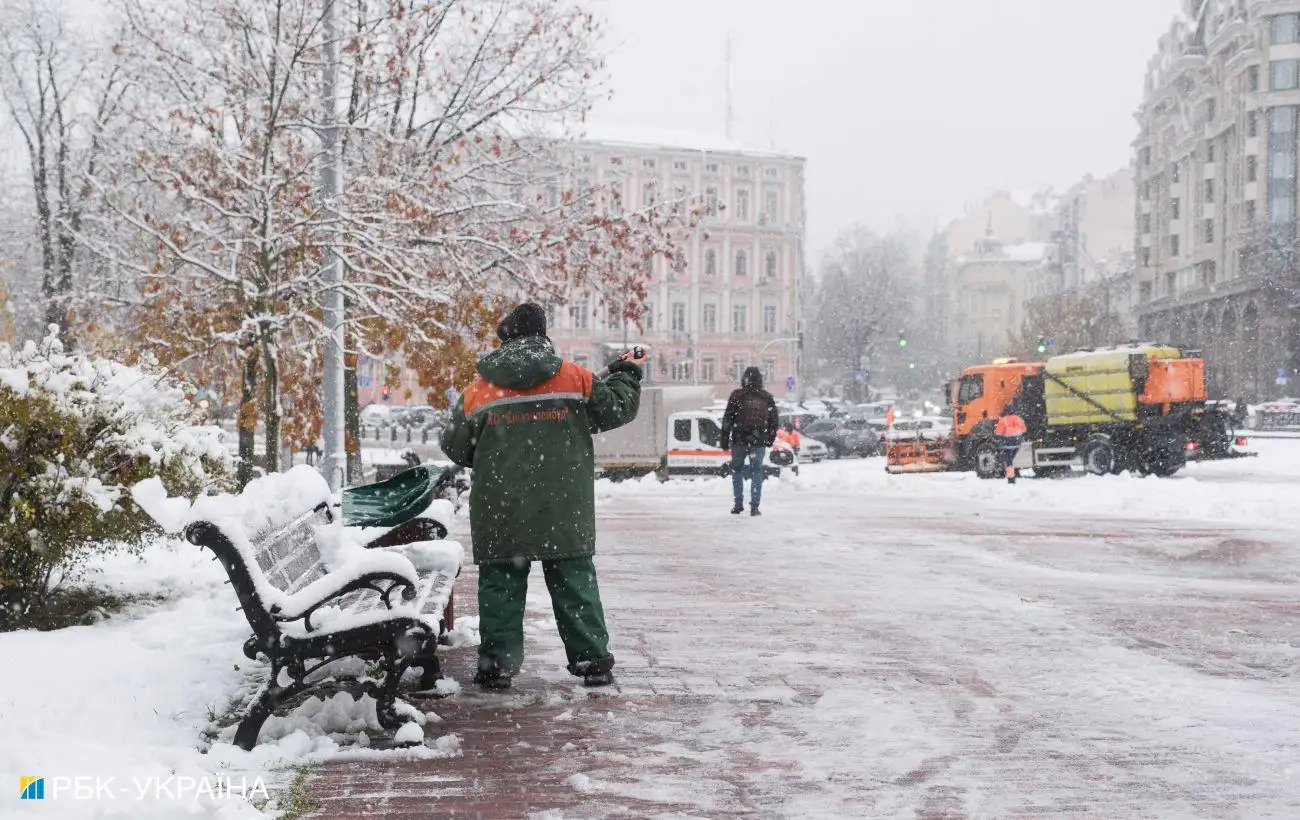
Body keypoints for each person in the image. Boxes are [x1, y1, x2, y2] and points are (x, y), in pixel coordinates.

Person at [440, 303, 644, 690]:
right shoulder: (575, 378)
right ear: (543, 335)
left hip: (501, 508)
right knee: (573, 583)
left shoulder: (479, 390)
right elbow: (616, 409)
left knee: (501, 586)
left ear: (507, 339)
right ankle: (592, 662)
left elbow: (455, 445)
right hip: (562, 507)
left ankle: (496, 667)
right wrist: (627, 374)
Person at [720, 366, 779, 515]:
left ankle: (738, 503)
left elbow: (727, 419)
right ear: (760, 380)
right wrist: (769, 438)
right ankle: (754, 506)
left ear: (744, 379)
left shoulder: (736, 396)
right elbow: (774, 421)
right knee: (756, 472)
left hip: (739, 440)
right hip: (758, 441)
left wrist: (724, 439)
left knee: (737, 471)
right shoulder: (766, 397)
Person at [994, 403, 1028, 484]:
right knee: (1011, 459)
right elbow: (1024, 430)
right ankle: (1014, 473)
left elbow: (998, 432)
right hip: (1017, 443)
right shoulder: (1018, 419)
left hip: (1007, 444)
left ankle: (1011, 478)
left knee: (1008, 460)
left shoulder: (1003, 420)